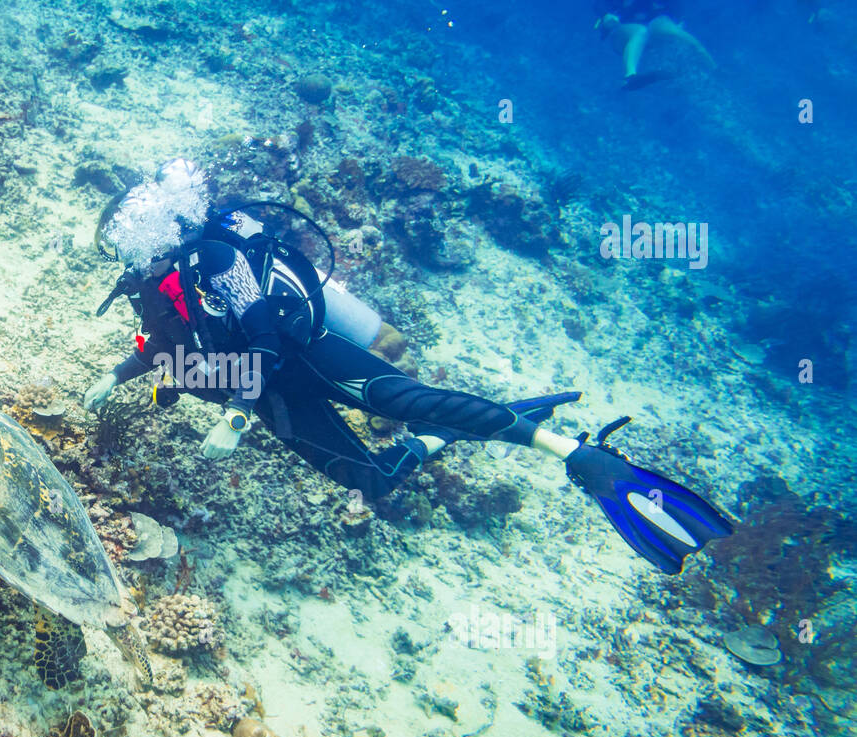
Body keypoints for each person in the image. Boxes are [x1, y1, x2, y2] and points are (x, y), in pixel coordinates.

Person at [83, 159, 732, 573]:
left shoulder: (216, 261)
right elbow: (165, 346)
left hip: (303, 360)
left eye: (126, 236)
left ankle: (574, 452)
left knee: (405, 399)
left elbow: (259, 336)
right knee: (370, 480)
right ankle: (446, 439)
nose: (124, 250)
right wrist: (115, 376)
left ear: (157, 227)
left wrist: (237, 413)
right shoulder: (153, 285)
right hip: (280, 399)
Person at [594, 0, 716, 90]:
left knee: (673, 31)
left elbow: (675, 7)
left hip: (654, 24)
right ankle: (630, 75)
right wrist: (605, 16)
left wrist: (679, 20)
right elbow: (600, 5)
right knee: (640, 32)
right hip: (623, 31)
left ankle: (711, 65)